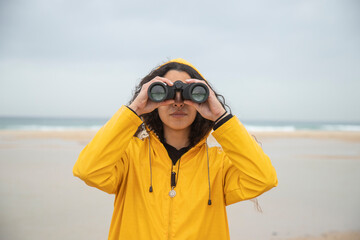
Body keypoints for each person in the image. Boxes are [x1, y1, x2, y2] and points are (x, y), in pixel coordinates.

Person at [73, 58, 278, 240]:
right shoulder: (129, 156)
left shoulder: (218, 165)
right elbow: (88, 170)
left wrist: (220, 116)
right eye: (166, 93)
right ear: (152, 97)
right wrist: (134, 110)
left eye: (190, 94)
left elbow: (263, 179)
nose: (178, 103)